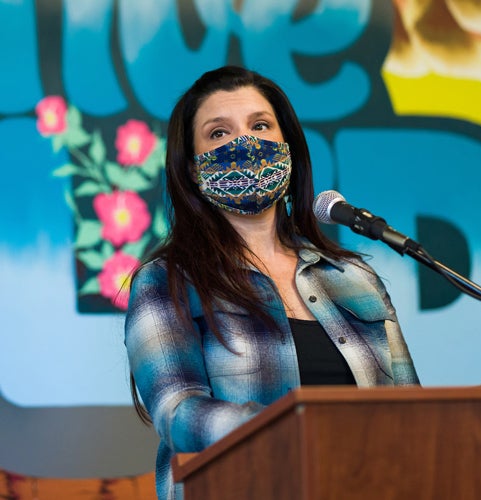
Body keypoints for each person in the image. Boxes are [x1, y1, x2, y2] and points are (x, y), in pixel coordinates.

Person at [124, 65, 419, 500]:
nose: (244, 144)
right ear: (191, 169)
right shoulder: (165, 282)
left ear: (287, 149)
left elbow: (412, 412)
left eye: (260, 126)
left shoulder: (355, 278)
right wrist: (303, 434)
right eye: (218, 134)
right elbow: (179, 414)